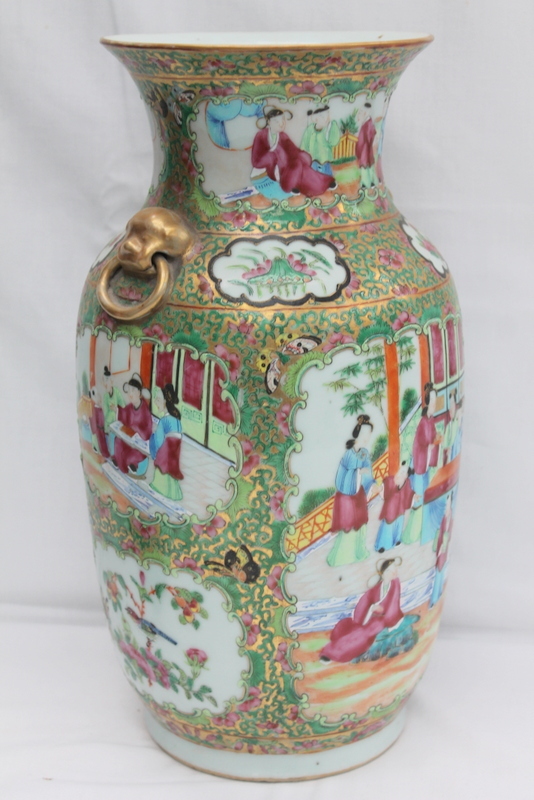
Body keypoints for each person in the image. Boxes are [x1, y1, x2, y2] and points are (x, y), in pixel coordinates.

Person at [320, 558, 403, 663]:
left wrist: (381, 611)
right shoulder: (378, 587)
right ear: (383, 573)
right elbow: (366, 600)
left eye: (394, 569)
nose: (393, 572)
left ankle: (336, 654)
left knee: (361, 635)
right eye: (389, 570)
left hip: (381, 620)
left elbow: (393, 604)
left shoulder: (395, 585)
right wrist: (371, 609)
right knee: (353, 629)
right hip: (369, 618)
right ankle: (329, 651)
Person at [327, 415, 379, 566]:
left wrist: (371, 484)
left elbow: (368, 471)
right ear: (358, 434)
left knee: (361, 523)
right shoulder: (348, 454)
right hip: (347, 496)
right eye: (365, 434)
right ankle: (342, 558)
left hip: (359, 495)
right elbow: (342, 477)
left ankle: (359, 553)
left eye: (369, 434)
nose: (367, 438)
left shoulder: (364, 453)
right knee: (348, 525)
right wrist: (357, 472)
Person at [251, 106, 335, 198]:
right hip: (271, 171)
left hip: (287, 168)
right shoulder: (261, 136)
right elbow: (256, 161)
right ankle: (290, 185)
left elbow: (294, 151)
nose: (281, 124)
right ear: (269, 122)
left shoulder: (283, 136)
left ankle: (320, 183)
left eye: (283, 120)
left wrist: (303, 155)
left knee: (300, 163)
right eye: (276, 121)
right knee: (296, 164)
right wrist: (273, 154)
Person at [402, 382, 442, 545]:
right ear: (427, 402)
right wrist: (433, 442)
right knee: (418, 499)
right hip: (419, 465)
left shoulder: (430, 421)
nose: (434, 404)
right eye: (431, 401)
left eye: (435, 400)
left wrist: (436, 440)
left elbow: (432, 439)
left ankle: (421, 532)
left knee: (425, 496)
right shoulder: (423, 422)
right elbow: (424, 443)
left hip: (425, 465)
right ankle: (411, 535)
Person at [149, 384, 184, 501]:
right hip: (174, 458)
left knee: (160, 483)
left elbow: (158, 443)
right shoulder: (177, 420)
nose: (155, 402)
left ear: (165, 402)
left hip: (164, 458)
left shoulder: (163, 421)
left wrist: (153, 435)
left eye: (158, 400)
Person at [114, 373, 152, 475]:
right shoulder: (130, 407)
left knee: (130, 458)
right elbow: (123, 416)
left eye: (133, 390)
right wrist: (117, 409)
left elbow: (147, 433)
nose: (130, 393)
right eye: (129, 390)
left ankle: (128, 465)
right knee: (118, 441)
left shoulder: (145, 411)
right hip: (129, 442)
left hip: (139, 447)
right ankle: (121, 468)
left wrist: (137, 429)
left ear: (139, 393)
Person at [374, 461, 414, 552]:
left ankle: (396, 540)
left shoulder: (407, 483)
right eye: (400, 470)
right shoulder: (391, 480)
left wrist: (413, 496)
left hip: (400, 508)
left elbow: (409, 493)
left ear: (406, 476)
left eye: (403, 472)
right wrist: (380, 489)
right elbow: (384, 488)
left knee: (398, 524)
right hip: (390, 508)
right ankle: (381, 545)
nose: (400, 473)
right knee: (387, 525)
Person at [300, 104, 340, 175]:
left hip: (326, 162)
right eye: (322, 116)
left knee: (327, 178)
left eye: (327, 115)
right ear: (315, 119)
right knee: (314, 178)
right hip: (313, 162)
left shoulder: (329, 129)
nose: (326, 119)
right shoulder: (310, 129)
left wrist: (333, 126)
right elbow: (304, 145)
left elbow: (334, 142)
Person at [430, 494, 452, 607]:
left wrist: (443, 544)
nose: (446, 506)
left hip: (443, 551)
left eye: (448, 504)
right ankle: (435, 598)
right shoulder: (444, 519)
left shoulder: (449, 519)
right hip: (440, 550)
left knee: (441, 572)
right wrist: (437, 546)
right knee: (439, 571)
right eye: (446, 504)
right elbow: (439, 533)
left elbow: (446, 535)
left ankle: (436, 597)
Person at [101, 366, 124, 456]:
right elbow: (105, 414)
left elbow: (123, 406)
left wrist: (117, 409)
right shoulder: (105, 397)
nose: (105, 384)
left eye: (107, 382)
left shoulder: (116, 392)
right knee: (111, 444)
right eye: (104, 382)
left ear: (111, 382)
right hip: (109, 425)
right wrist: (112, 411)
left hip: (117, 423)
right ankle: (112, 456)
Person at [355, 103, 378, 189]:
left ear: (365, 113)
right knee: (368, 165)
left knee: (365, 165)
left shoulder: (368, 124)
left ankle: (366, 183)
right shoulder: (366, 123)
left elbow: (369, 136)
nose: (359, 114)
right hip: (365, 149)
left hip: (365, 150)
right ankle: (371, 182)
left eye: (361, 112)